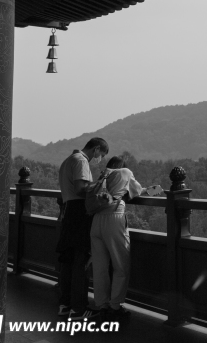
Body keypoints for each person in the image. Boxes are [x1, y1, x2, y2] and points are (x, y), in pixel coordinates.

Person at [56, 137, 108, 319]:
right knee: (81, 261)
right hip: (79, 212)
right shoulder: (81, 161)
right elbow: (80, 188)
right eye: (100, 154)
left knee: (68, 260)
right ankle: (78, 309)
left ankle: (65, 304)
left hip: (69, 210)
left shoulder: (68, 160)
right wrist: (99, 186)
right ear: (96, 149)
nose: (98, 158)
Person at [90, 156, 146, 320]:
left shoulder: (104, 175)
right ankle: (115, 306)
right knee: (121, 265)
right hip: (114, 218)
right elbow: (138, 190)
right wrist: (158, 190)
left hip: (96, 220)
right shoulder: (125, 172)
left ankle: (102, 305)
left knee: (100, 267)